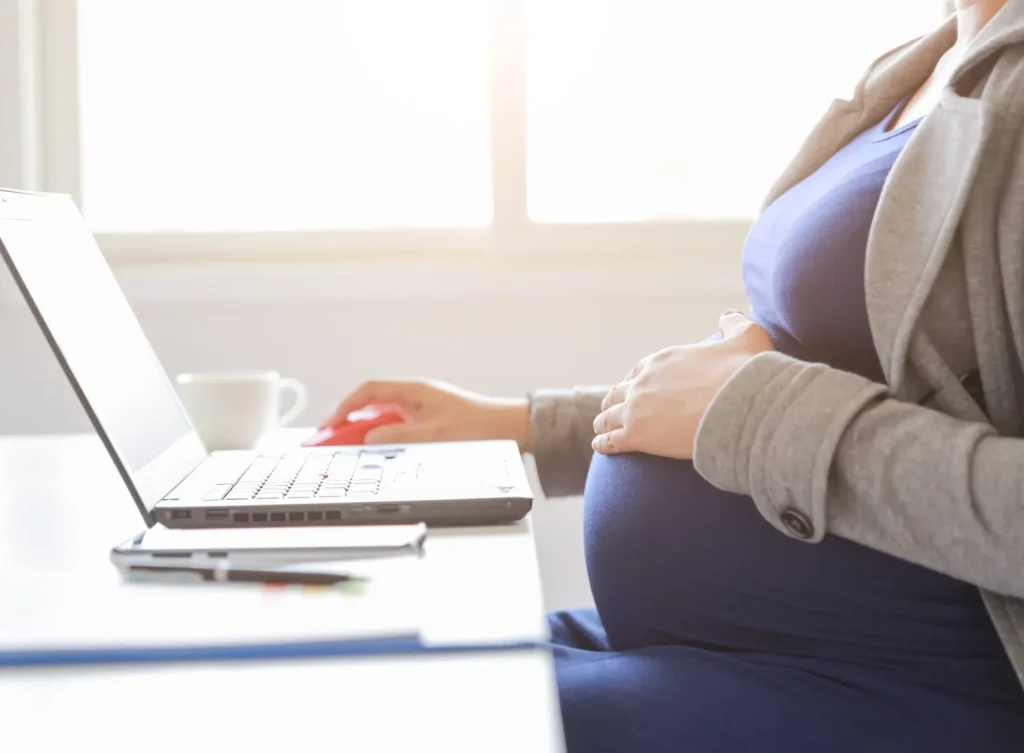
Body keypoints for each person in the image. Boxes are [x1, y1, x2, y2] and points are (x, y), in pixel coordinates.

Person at [321, 2, 1024, 750]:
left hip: (904, 684)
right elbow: (797, 373)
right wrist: (526, 426)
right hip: (747, 646)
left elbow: (758, 399)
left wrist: (756, 412)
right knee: (341, 662)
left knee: (382, 712)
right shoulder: (924, 60)